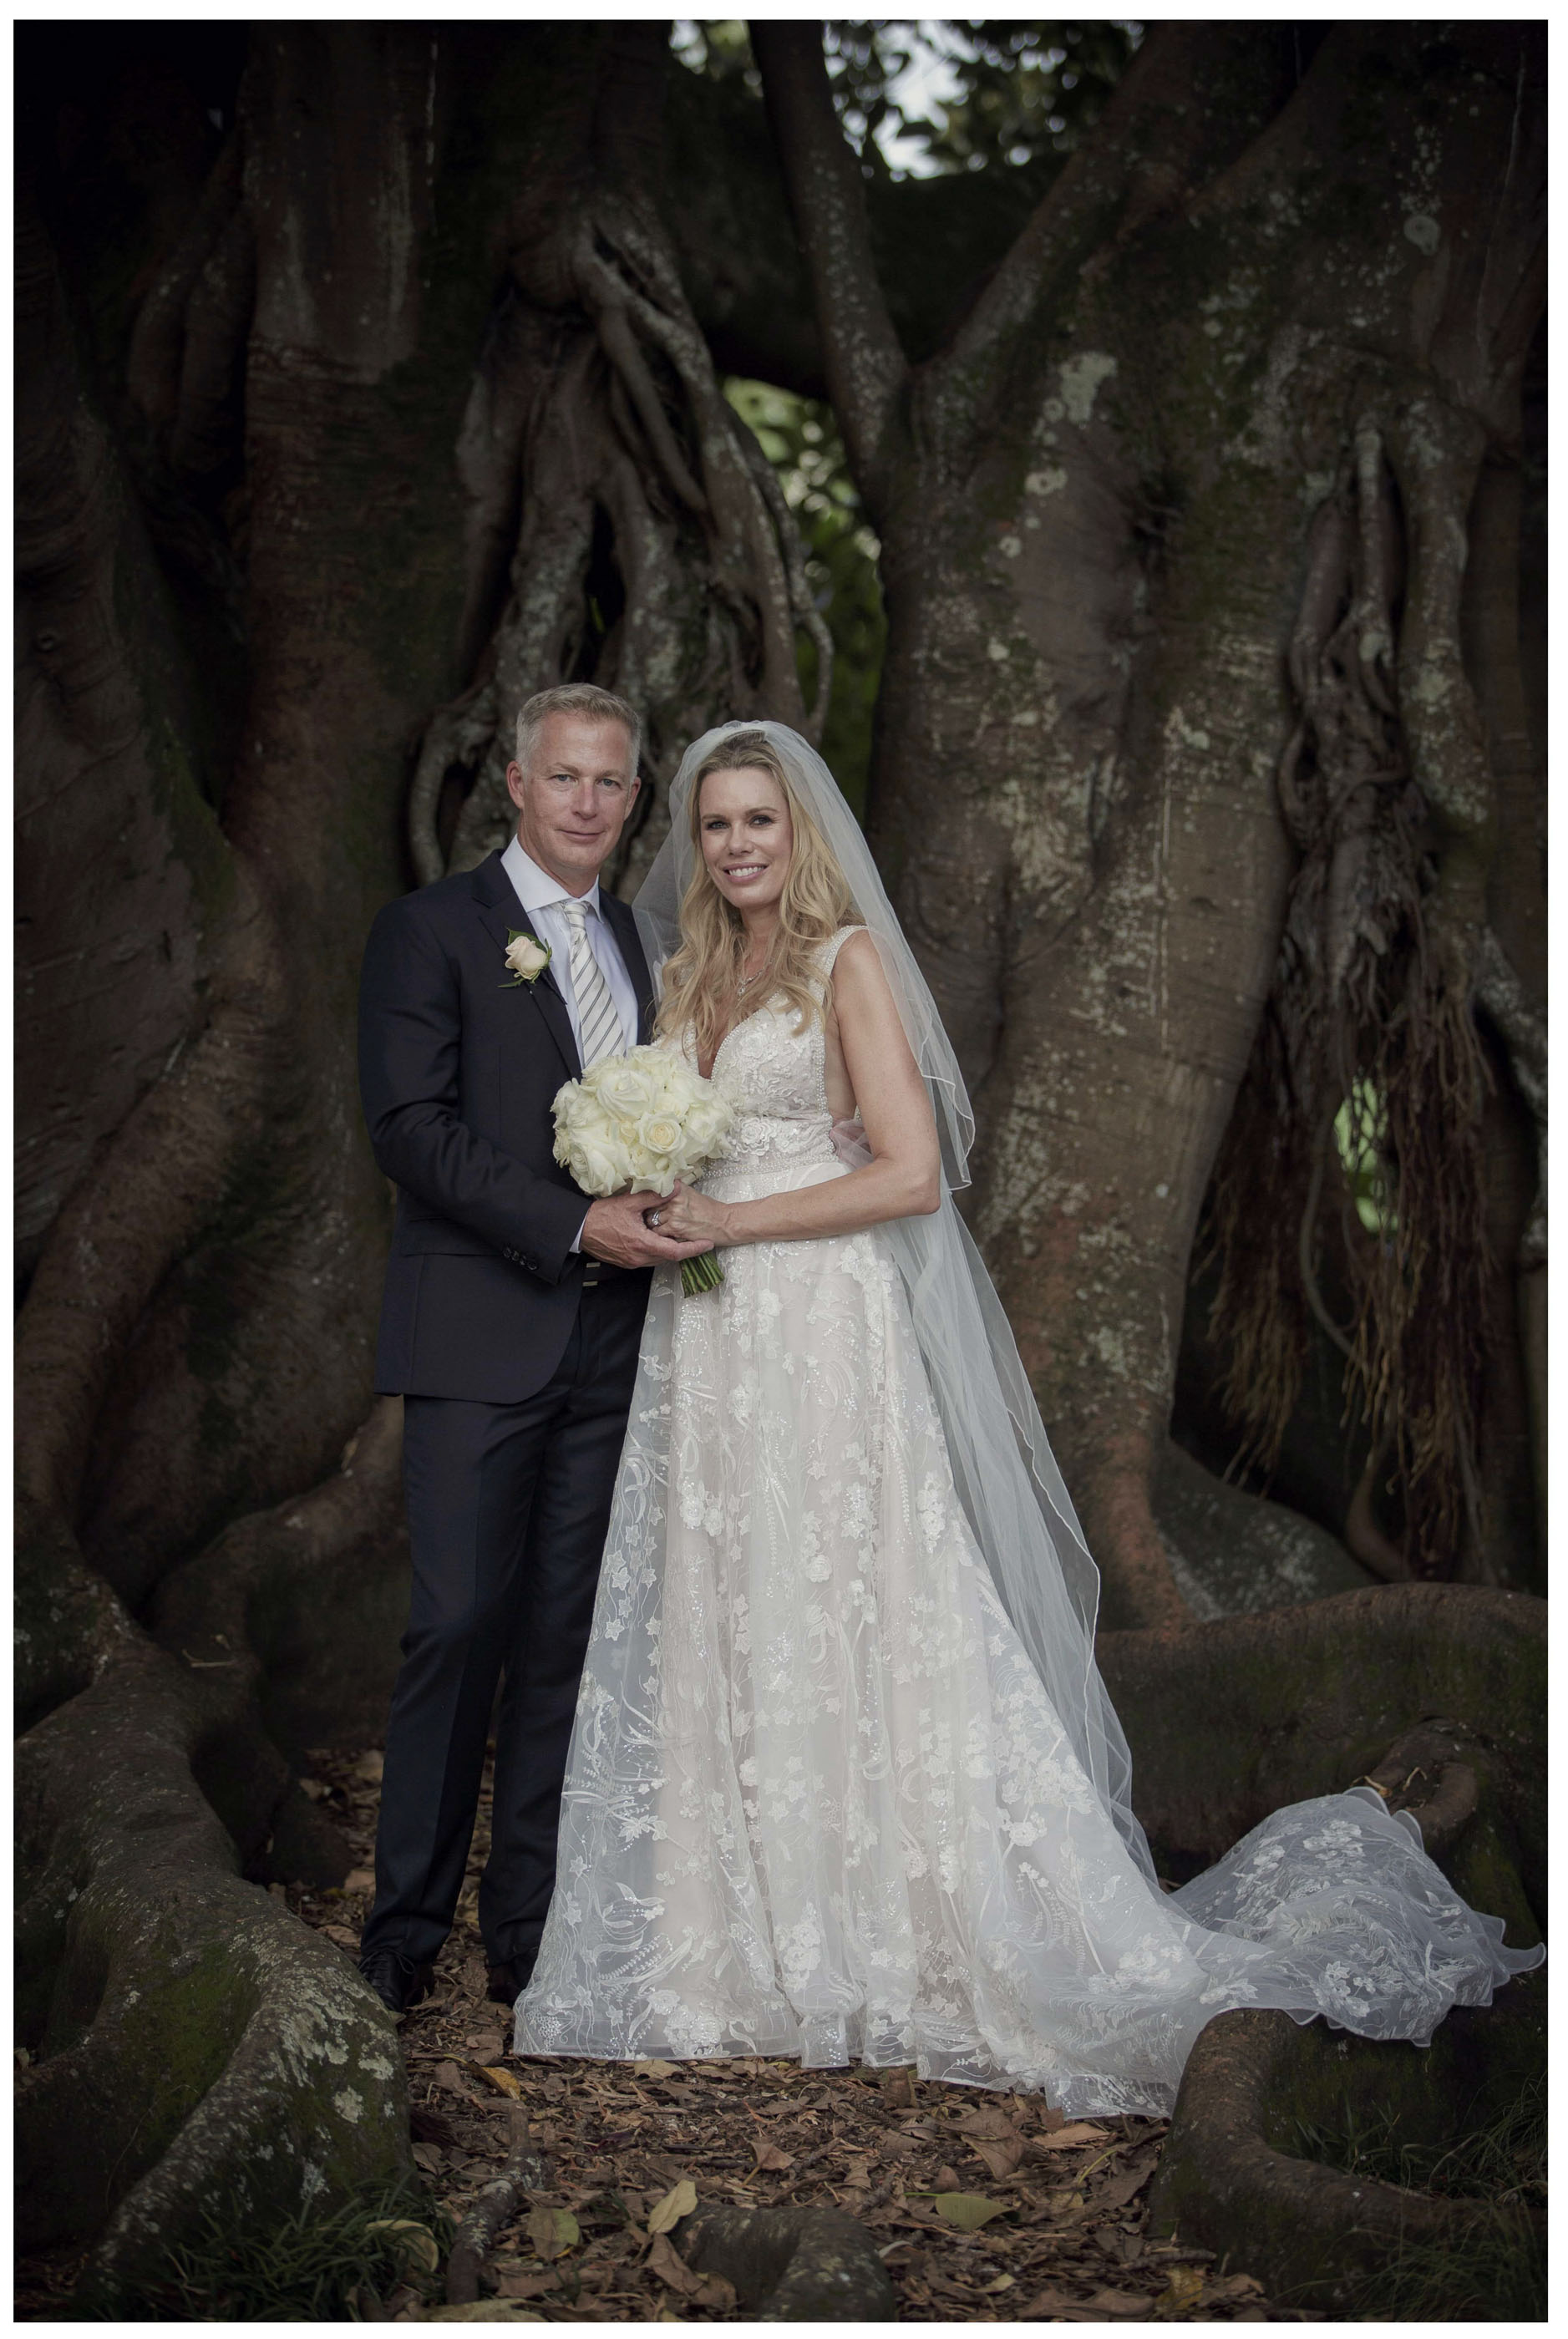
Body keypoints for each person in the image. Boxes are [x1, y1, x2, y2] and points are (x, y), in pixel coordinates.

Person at [511, 719, 1540, 2109]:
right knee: (727, 1602)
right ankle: (726, 1945)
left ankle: (884, 1930)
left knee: (848, 1598)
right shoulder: (694, 970)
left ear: (798, 832)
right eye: (714, 824)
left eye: (760, 819)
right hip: (705, 1342)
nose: (738, 843)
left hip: (818, 1324)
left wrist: (735, 1218)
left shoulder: (842, 963)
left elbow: (911, 1176)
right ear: (689, 841)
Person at [354, 682, 708, 2016]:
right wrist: (575, 1227)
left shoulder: (640, 939)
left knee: (567, 1634)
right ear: (513, 781)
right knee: (456, 1625)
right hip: (478, 1333)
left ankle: (529, 1931)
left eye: (610, 784)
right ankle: (400, 1935)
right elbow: (409, 1128)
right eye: (563, 778)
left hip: (619, 1345)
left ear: (633, 797)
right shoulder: (432, 929)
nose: (586, 804)